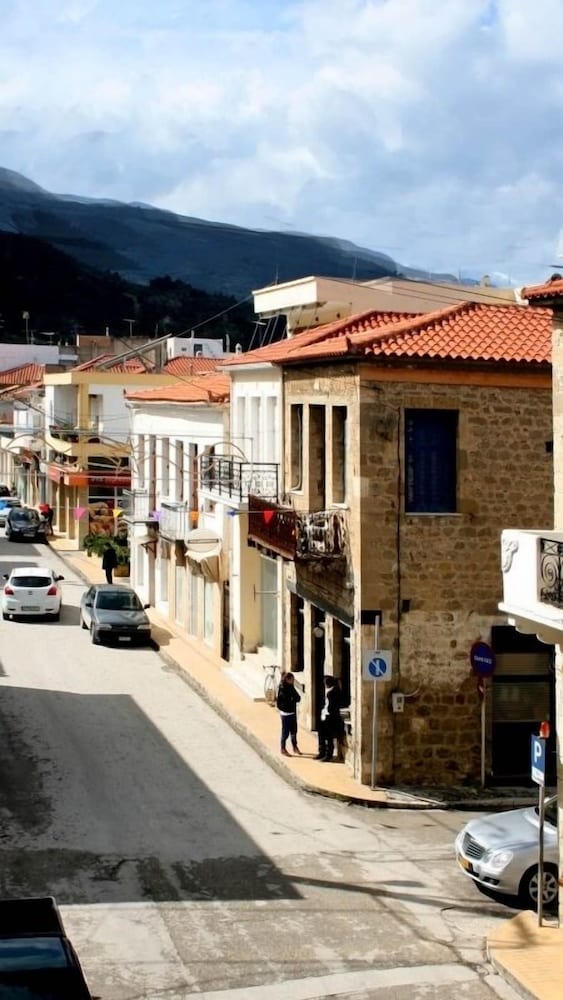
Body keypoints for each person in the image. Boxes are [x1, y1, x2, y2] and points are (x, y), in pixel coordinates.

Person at [316, 676, 344, 762]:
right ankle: (321, 752)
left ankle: (329, 755)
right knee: (321, 734)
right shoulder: (327, 691)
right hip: (324, 715)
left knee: (329, 737)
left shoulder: (334, 692)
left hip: (330, 717)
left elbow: (334, 705)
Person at [276, 671, 302, 757]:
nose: (293, 681)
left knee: (294, 731)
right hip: (286, 714)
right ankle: (283, 748)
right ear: (287, 679)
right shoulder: (282, 688)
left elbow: (298, 698)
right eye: (292, 679)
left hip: (293, 713)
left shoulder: (291, 687)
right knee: (285, 732)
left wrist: (292, 699)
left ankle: (295, 747)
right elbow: (280, 703)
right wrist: (289, 703)